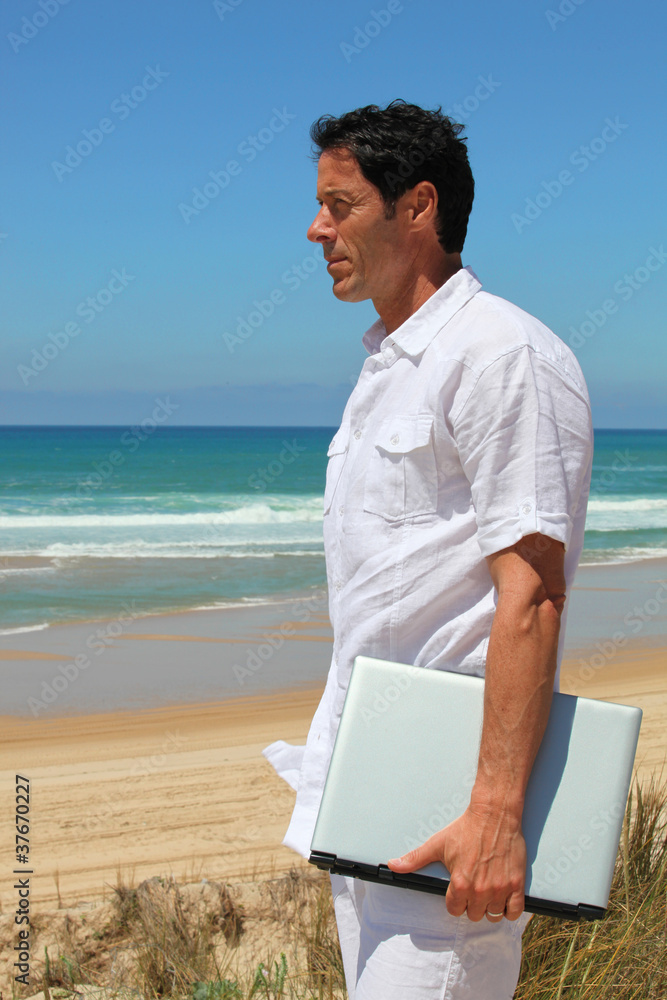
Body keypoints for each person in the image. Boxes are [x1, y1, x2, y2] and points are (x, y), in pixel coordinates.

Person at [263, 99, 593, 999]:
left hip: (453, 812)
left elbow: (531, 594)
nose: (315, 228)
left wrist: (494, 813)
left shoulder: (501, 355)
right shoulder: (388, 366)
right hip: (366, 791)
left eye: (340, 204)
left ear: (417, 208)